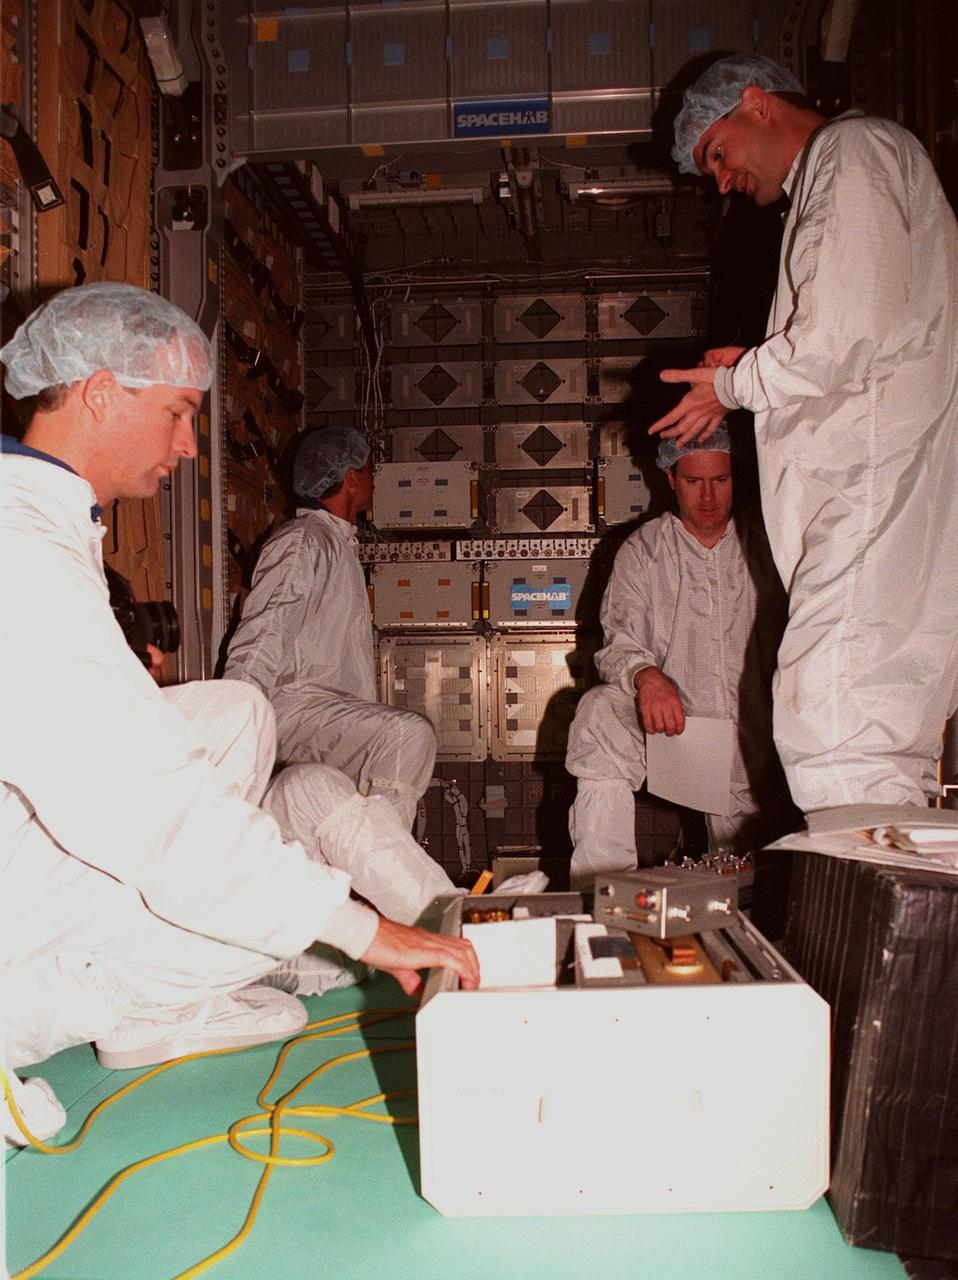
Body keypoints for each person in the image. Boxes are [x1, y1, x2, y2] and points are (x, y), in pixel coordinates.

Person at [0, 283, 477, 1144]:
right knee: (262, 920)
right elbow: (147, 804)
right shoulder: (20, 546)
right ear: (101, 393)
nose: (190, 445)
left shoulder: (45, 518)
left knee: (233, 717)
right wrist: (363, 932)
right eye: (179, 413)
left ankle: (173, 987)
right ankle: (87, 1012)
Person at [650, 53, 958, 813]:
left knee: (832, 720)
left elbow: (838, 339)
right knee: (875, 737)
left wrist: (731, 383)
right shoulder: (864, 165)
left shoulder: (851, 154)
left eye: (717, 153)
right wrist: (753, 369)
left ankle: (874, 918)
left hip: (868, 494)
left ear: (756, 103)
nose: (721, 179)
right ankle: (908, 920)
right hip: (882, 494)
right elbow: (857, 334)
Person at [564, 428, 790, 888]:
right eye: (693, 481)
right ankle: (603, 889)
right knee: (600, 714)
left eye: (721, 480)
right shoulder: (645, 551)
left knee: (745, 885)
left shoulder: (769, 545)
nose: (708, 496)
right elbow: (618, 641)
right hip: (674, 728)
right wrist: (645, 675)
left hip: (758, 739)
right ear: (669, 477)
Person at [223, 426, 436, 830]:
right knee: (407, 736)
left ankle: (354, 875)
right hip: (294, 709)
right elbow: (264, 633)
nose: (375, 479)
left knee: (332, 813)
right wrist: (237, 726)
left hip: (322, 713)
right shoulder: (305, 541)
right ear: (352, 477)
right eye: (370, 470)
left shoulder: (333, 544)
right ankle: (383, 870)